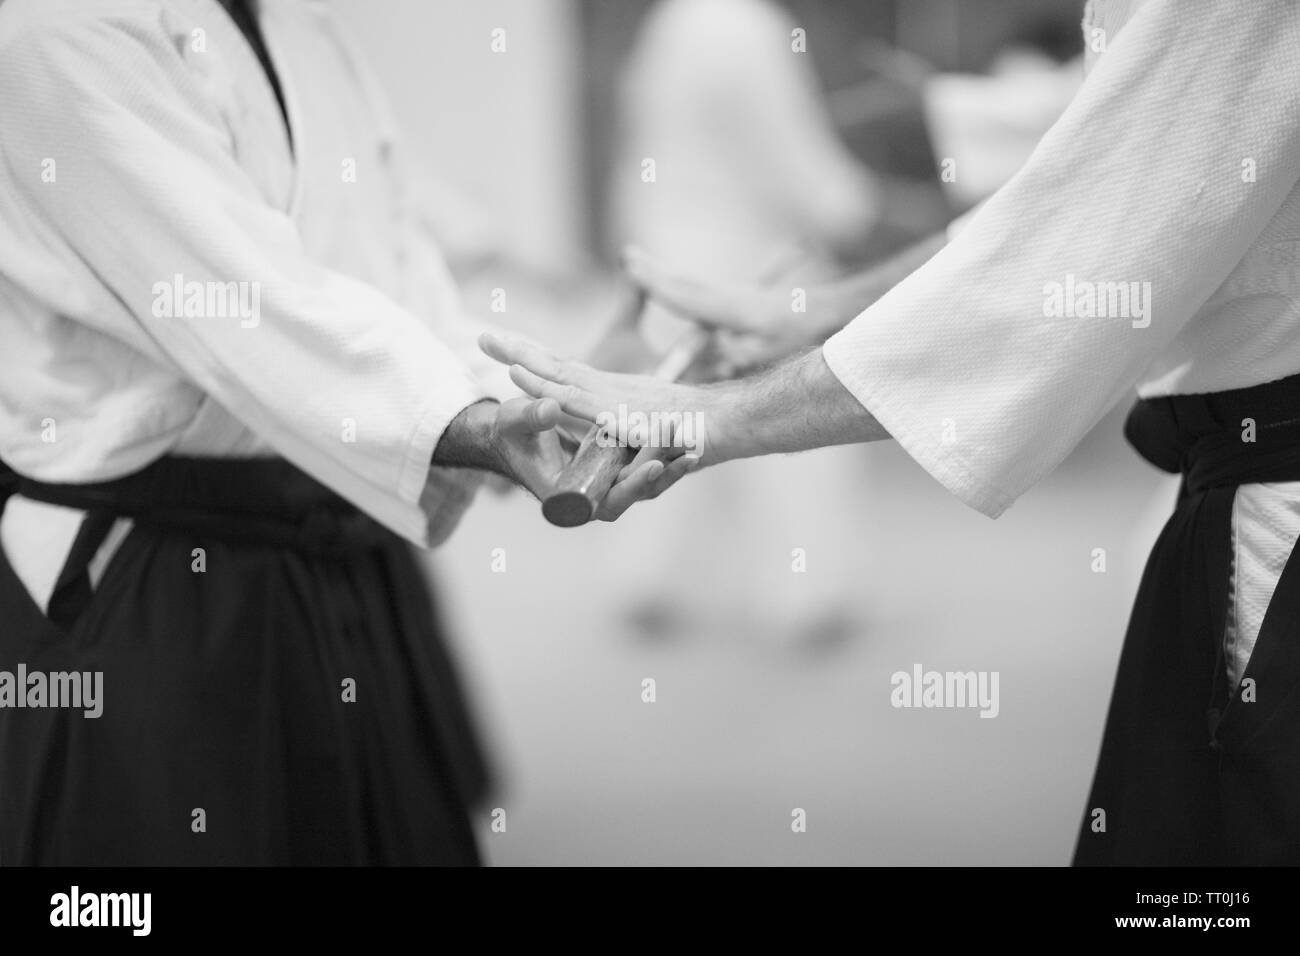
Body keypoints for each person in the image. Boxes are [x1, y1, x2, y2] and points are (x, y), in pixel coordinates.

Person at [481, 0, 1300, 864]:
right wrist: (826, 274)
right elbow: (1084, 191)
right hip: (756, 239)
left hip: (1275, 484)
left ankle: (734, 586)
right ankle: (802, 594)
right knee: (782, 455)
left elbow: (1087, 210)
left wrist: (729, 409)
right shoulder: (739, 29)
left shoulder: (677, 27)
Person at [0, 0, 659, 865]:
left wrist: (545, 390)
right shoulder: (54, 28)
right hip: (149, 567)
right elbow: (247, 305)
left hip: (328, 537)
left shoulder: (302, 29)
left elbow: (390, 275)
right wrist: (474, 423)